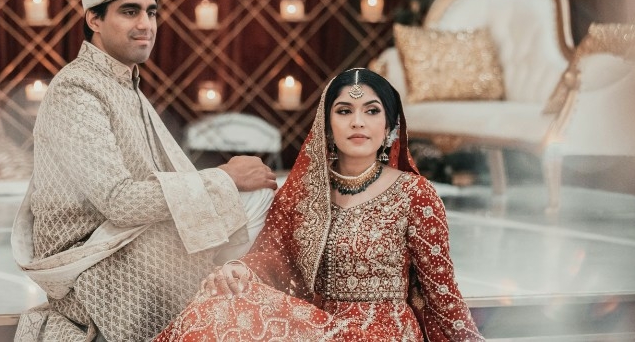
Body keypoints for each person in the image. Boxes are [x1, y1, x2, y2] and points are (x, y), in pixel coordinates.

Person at [10, 0, 277, 341]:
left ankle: (223, 294)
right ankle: (216, 303)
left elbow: (157, 188)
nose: (146, 25)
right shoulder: (76, 89)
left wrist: (224, 187)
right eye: (129, 11)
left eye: (151, 12)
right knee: (236, 198)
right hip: (93, 259)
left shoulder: (125, 84)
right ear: (94, 19)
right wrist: (223, 176)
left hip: (131, 238)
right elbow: (118, 200)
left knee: (261, 196)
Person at [155, 68, 484, 341]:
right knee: (221, 300)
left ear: (389, 125)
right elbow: (274, 256)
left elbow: (442, 292)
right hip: (322, 325)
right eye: (344, 111)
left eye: (371, 111)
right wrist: (241, 269)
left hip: (384, 332)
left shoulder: (415, 193)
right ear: (326, 124)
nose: (357, 122)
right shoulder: (305, 192)